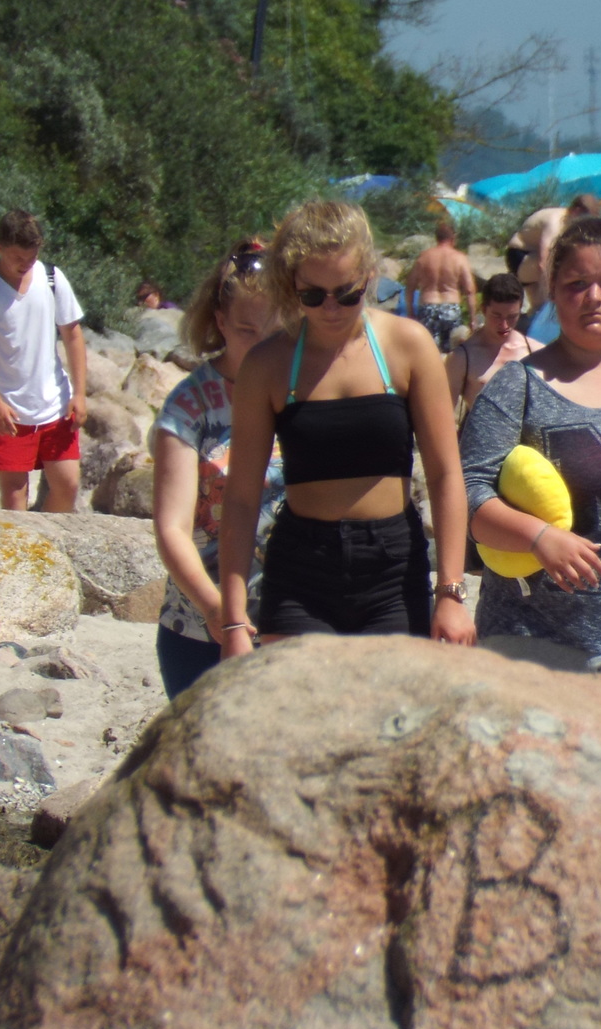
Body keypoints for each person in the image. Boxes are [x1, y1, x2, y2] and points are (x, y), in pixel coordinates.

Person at [218, 200, 474, 652]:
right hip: (301, 570)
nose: (331, 307)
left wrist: (450, 593)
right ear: (291, 285)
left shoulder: (408, 346)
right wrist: (234, 621)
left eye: (347, 292)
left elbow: (446, 473)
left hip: (393, 567)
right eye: (313, 295)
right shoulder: (267, 364)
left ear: (369, 277)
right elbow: (240, 496)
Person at [460, 216, 601, 698]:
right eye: (576, 284)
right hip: (531, 636)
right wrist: (538, 537)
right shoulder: (516, 387)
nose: (593, 297)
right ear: (553, 290)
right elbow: (466, 495)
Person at [151, 239, 282, 698]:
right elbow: (171, 529)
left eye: (273, 332)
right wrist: (220, 613)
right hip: (200, 630)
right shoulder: (189, 405)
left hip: (289, 622)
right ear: (220, 322)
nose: (261, 345)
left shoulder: (301, 389)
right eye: (247, 330)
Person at [0, 209, 88, 512]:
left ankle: (49, 539)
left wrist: (80, 393)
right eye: (18, 257)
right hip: (7, 407)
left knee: (68, 485)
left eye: (32, 257)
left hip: (54, 401)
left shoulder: (52, 277)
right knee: (15, 497)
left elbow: (72, 335)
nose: (25, 264)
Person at [445, 272, 538, 412]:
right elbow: (444, 413)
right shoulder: (462, 357)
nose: (504, 325)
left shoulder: (535, 351)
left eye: (512, 317)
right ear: (483, 309)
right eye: (497, 316)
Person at [506, 194, 598, 311]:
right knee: (565, 270)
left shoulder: (568, 220)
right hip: (520, 256)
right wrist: (555, 291)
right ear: (576, 211)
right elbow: (544, 262)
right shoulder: (555, 223)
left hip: (531, 257)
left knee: (538, 309)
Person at [406, 219, 476, 352]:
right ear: (453, 238)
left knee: (429, 352)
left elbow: (410, 287)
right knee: (453, 353)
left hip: (428, 308)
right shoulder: (460, 258)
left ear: (436, 237)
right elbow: (469, 290)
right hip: (451, 308)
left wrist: (410, 313)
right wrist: (472, 319)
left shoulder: (424, 257)